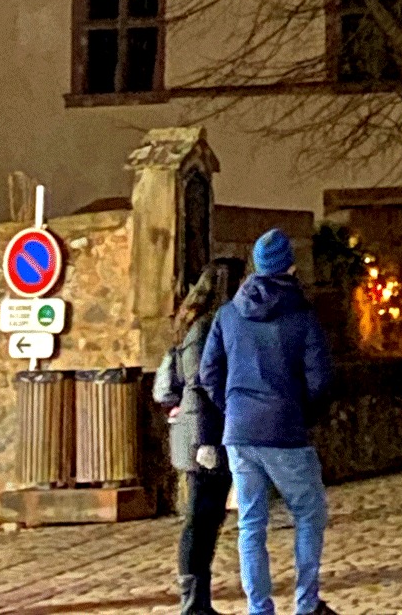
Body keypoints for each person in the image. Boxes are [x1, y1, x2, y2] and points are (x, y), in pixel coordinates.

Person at [198, 227, 336, 615]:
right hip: (286, 430)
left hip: (239, 432)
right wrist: (301, 412)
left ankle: (260, 609)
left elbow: (209, 372)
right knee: (309, 513)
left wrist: (233, 407)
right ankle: (306, 603)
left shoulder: (228, 314)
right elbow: (320, 378)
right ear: (290, 266)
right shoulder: (302, 316)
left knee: (251, 523)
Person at [153, 256, 247, 615]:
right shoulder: (208, 327)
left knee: (205, 518)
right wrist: (210, 435)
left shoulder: (190, 324)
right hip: (204, 435)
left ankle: (198, 601)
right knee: (201, 518)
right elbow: (201, 383)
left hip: (196, 432)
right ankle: (193, 603)